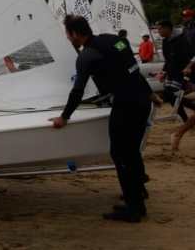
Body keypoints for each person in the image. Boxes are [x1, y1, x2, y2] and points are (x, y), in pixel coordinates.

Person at [51, 15, 152, 223]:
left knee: (120, 154)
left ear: (75, 34)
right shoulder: (115, 40)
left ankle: (133, 209)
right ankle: (138, 195)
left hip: (126, 104)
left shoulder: (86, 56)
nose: (68, 39)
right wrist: (150, 93)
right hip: (142, 100)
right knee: (131, 151)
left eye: (68, 35)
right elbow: (132, 67)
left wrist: (64, 117)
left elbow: (77, 91)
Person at [156, 21, 195, 122]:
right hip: (171, 73)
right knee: (170, 96)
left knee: (175, 96)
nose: (158, 31)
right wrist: (164, 72)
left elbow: (189, 56)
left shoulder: (181, 39)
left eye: (160, 29)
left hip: (182, 72)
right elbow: (168, 59)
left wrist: (189, 72)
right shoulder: (165, 41)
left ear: (167, 28)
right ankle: (188, 118)